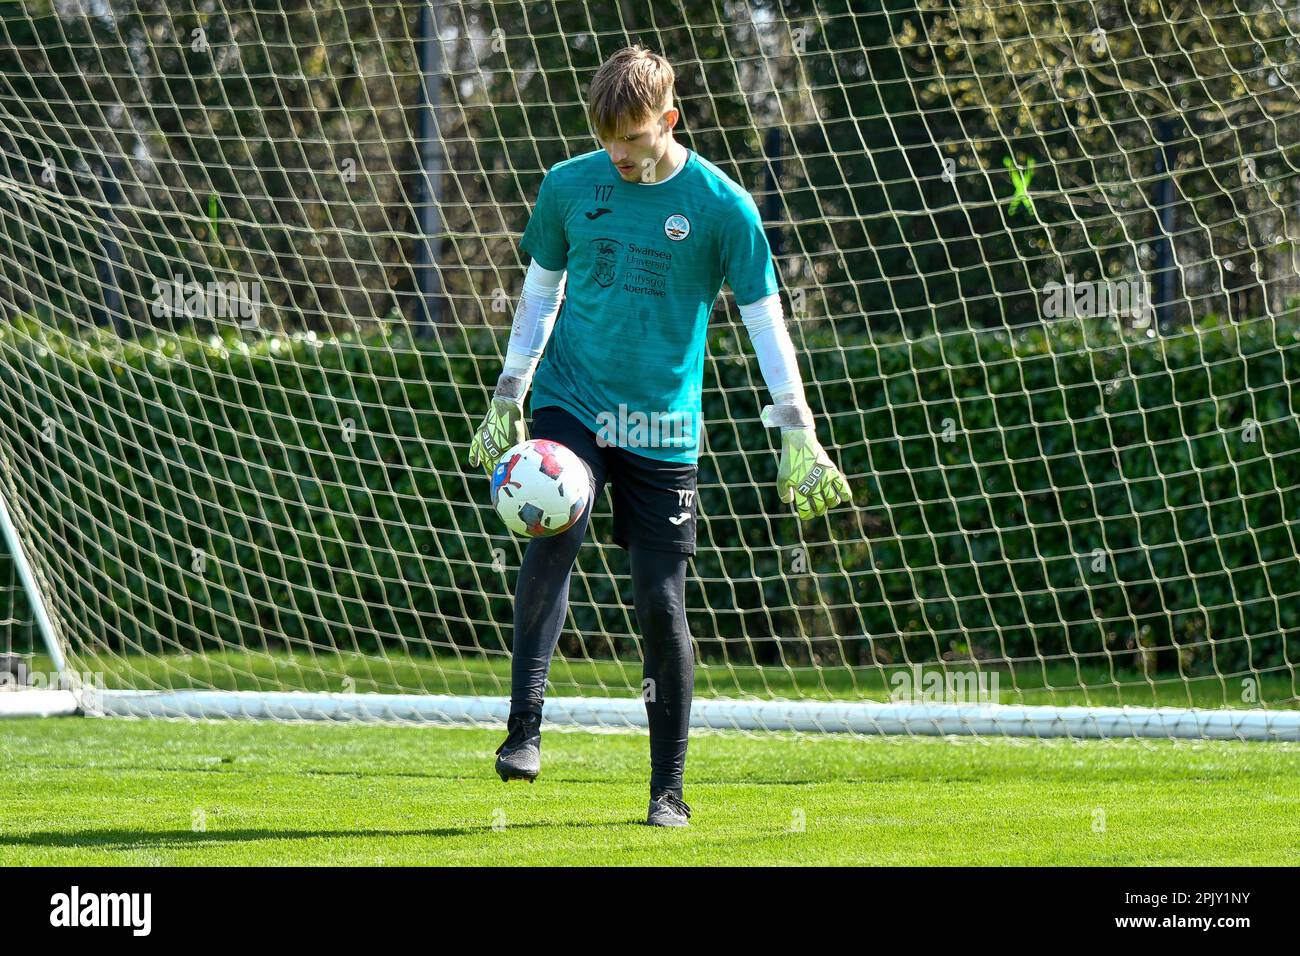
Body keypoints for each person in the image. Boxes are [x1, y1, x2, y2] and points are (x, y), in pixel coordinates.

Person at [467, 45, 851, 827]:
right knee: (553, 524)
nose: (620, 156)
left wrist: (798, 429)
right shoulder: (569, 187)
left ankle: (667, 790)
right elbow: (541, 293)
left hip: (663, 424)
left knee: (659, 601)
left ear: (669, 121)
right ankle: (524, 731)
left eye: (635, 140)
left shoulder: (723, 208)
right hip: (573, 398)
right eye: (609, 141)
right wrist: (511, 388)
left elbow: (767, 325)